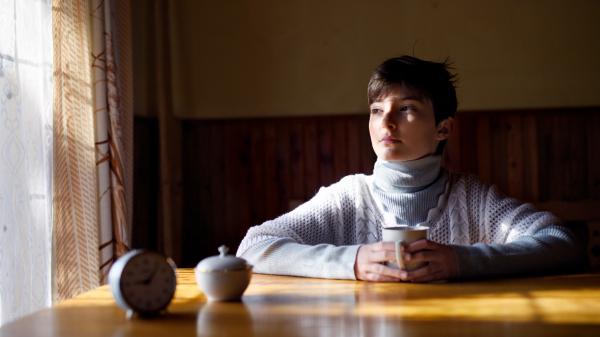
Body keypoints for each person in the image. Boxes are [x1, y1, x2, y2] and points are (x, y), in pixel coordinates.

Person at [236, 55, 587, 283]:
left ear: (443, 128)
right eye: (376, 110)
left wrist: (459, 261)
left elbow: (563, 244)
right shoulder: (346, 198)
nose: (386, 121)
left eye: (406, 108)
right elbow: (253, 246)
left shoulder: (473, 198)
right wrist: (353, 262)